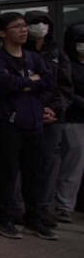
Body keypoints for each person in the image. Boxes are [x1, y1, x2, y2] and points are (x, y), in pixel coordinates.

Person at [0, 12, 57, 240]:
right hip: (9, 124)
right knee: (8, 173)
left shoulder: (33, 57)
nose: (24, 30)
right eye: (17, 26)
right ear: (2, 33)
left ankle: (34, 219)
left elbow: (49, 82)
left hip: (35, 123)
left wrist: (26, 84)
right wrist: (30, 82)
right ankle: (5, 219)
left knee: (34, 174)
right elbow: (4, 83)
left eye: (24, 26)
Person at [23, 11, 73, 227]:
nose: (40, 27)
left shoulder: (57, 53)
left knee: (48, 163)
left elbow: (66, 86)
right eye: (34, 23)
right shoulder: (20, 53)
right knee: (21, 163)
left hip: (53, 116)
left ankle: (43, 207)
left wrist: (54, 109)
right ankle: (19, 208)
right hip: (27, 115)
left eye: (44, 23)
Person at [58, 23, 84, 223]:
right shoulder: (66, 63)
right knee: (72, 163)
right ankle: (64, 205)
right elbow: (66, 90)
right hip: (74, 119)